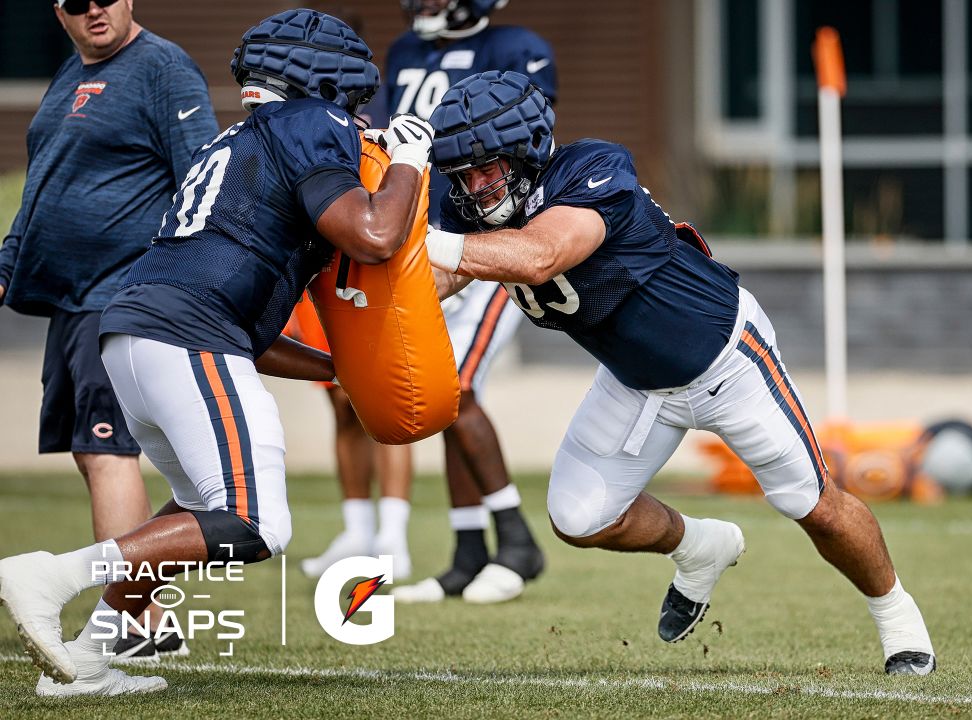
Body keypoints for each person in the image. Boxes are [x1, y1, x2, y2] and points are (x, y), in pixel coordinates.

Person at [424, 71, 938, 675]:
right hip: (635, 382)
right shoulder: (462, 209)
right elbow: (435, 279)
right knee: (578, 516)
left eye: (488, 167)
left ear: (527, 148)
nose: (476, 186)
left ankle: (900, 621)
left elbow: (541, 256)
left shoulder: (592, 170)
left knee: (812, 503)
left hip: (726, 359)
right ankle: (701, 547)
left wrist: (415, 241)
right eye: (462, 172)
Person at [0, 9, 433, 696]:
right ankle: (51, 576)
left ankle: (87, 658)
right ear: (323, 78)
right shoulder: (308, 123)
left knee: (197, 507)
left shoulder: (238, 142)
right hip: (180, 332)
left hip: (137, 330)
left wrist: (338, 369)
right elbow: (374, 235)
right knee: (257, 521)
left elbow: (252, 334)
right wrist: (410, 159)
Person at [0, 0, 218, 663]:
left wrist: (184, 282)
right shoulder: (72, 73)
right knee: (90, 451)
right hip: (70, 300)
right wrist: (9, 263)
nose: (91, 9)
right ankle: (145, 615)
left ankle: (133, 621)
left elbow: (202, 180)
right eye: (74, 0)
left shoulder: (163, 68)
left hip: (121, 295)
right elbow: (46, 185)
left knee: (109, 449)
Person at [369, 0, 556, 605]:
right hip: (424, 231)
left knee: (456, 388)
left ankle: (517, 541)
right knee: (445, 396)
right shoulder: (403, 51)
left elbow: (531, 144)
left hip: (490, 238)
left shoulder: (515, 45)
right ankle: (468, 552)